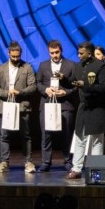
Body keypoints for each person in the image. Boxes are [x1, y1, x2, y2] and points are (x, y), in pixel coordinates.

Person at [66, 41, 105, 179]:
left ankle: (96, 170)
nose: (78, 56)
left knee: (97, 139)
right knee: (80, 137)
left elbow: (103, 87)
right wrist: (63, 79)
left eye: (81, 53)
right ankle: (76, 168)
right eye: (78, 53)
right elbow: (72, 82)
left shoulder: (102, 67)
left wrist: (84, 85)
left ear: (89, 54)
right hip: (84, 106)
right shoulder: (78, 66)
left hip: (98, 107)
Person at [0, 40, 37, 174]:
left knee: (26, 135)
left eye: (18, 56)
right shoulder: (0, 68)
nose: (16, 59)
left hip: (22, 106)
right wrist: (7, 93)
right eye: (13, 56)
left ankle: (28, 162)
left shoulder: (27, 67)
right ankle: (4, 162)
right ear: (8, 53)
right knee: (4, 136)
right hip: (5, 106)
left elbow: (33, 86)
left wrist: (20, 92)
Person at [36, 39, 78, 172]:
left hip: (65, 104)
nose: (55, 55)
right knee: (46, 134)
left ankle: (68, 161)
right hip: (47, 104)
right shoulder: (43, 65)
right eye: (52, 53)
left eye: (57, 52)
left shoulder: (71, 65)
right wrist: (45, 90)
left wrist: (65, 92)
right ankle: (46, 162)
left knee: (66, 134)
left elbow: (76, 85)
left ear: (61, 51)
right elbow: (38, 83)